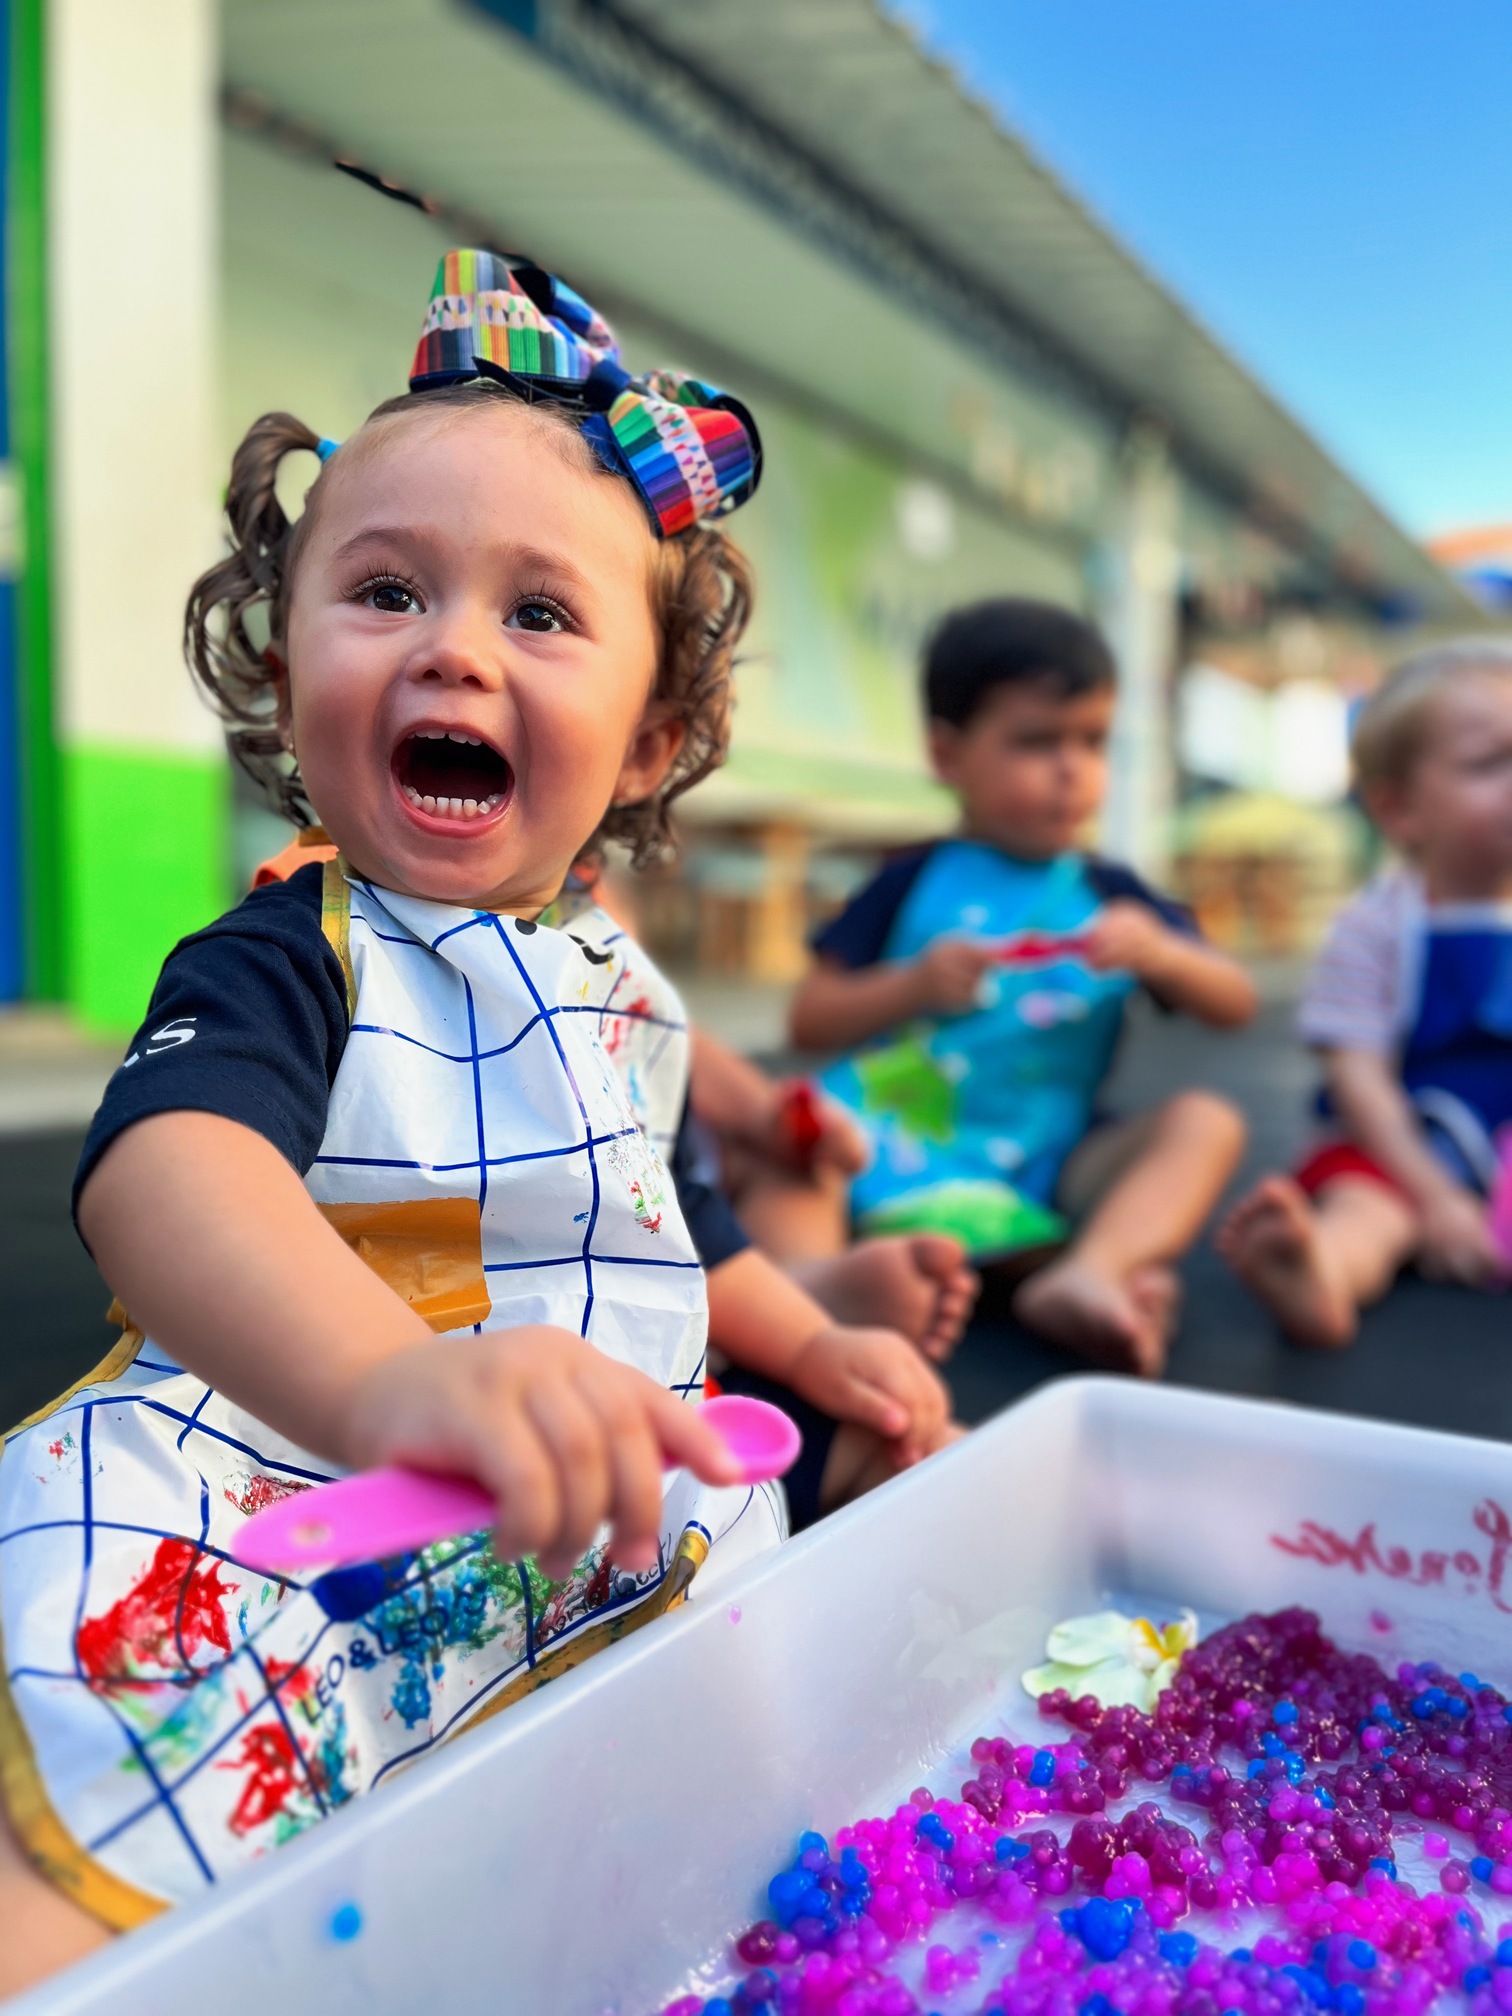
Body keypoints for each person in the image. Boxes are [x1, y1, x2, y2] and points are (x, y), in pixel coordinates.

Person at [0, 249, 951, 1988]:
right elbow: (169, 1172)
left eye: (538, 614)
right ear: (285, 667)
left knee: (716, 1718)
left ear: (652, 735)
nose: (452, 648)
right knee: (139, 1797)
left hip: (551, 1502)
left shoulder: (610, 984)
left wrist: (813, 1348)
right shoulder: (294, 948)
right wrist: (386, 1382)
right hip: (286, 1480)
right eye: (384, 594)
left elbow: (677, 1230)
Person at [783, 598, 1255, 1376]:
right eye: (1036, 741)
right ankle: (831, 1290)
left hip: (1052, 1165)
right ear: (948, 755)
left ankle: (1092, 1271)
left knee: (1206, 1122)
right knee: (793, 1140)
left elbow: (1233, 1004)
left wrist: (1167, 955)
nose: (1072, 769)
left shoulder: (1113, 892)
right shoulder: (909, 878)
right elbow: (810, 1019)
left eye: (1094, 741)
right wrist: (910, 985)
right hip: (900, 1153)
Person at [1219, 639, 1512, 1346]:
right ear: (1400, 809)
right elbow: (1360, 1081)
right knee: (1367, 1212)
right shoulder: (1376, 926)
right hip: (1394, 1149)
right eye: (1489, 763)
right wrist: (1434, 1195)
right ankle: (1321, 1270)